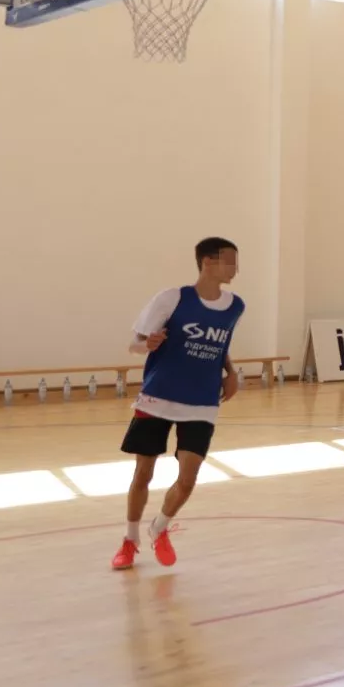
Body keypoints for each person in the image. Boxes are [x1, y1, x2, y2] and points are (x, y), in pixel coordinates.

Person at [111, 237, 244, 571]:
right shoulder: (172, 298)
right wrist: (148, 344)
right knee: (143, 473)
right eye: (230, 261)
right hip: (158, 397)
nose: (236, 268)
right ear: (208, 262)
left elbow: (221, 345)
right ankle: (129, 539)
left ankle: (159, 527)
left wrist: (231, 372)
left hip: (202, 402)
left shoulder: (235, 306)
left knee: (187, 479)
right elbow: (135, 344)